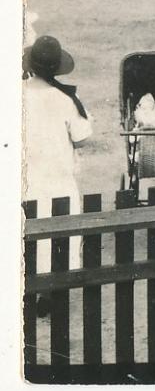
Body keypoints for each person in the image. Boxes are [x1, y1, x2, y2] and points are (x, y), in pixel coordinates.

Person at [22, 36, 93, 264]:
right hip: (58, 179)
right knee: (58, 243)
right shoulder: (66, 98)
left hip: (25, 178)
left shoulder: (17, 94)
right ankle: (53, 292)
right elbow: (81, 138)